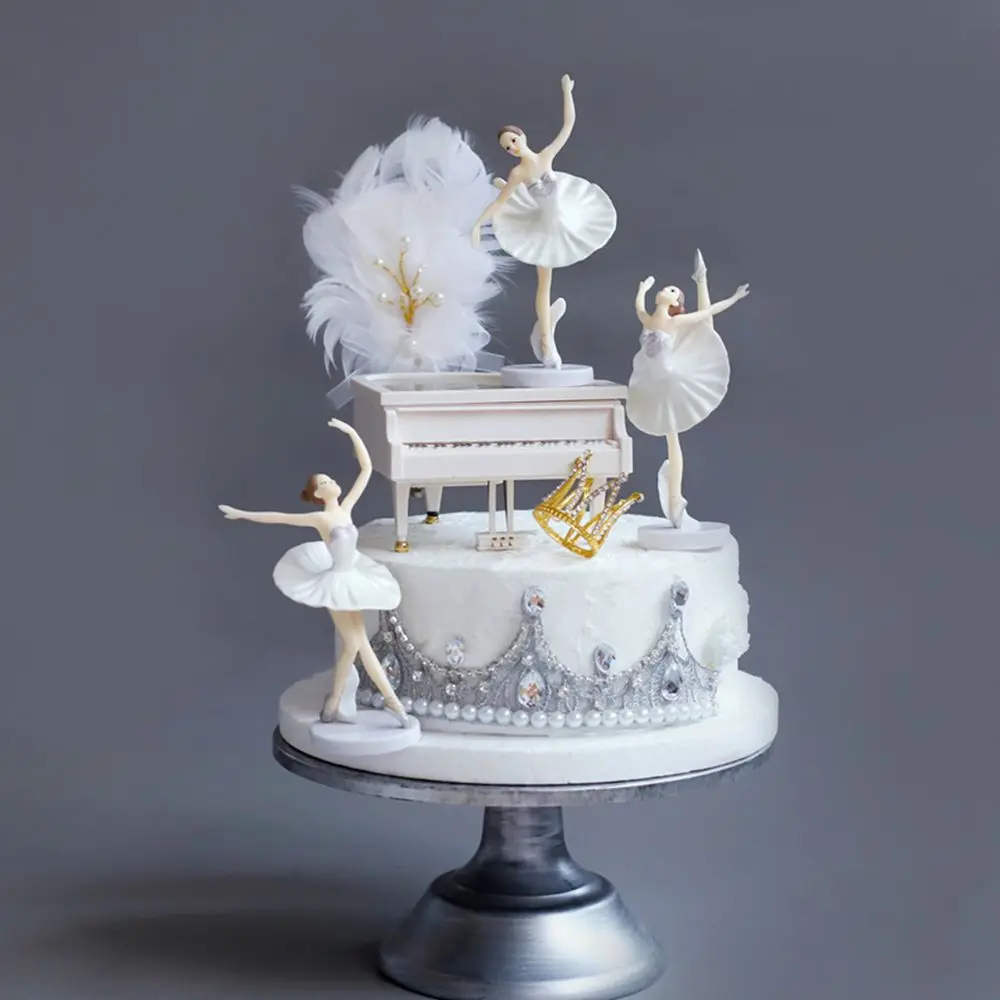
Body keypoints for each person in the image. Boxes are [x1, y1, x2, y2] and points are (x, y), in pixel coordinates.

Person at [219, 419, 411, 727]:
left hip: (353, 577)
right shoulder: (321, 519)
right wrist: (242, 514)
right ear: (318, 494)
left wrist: (352, 433)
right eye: (323, 483)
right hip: (335, 583)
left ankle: (338, 702)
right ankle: (388, 703)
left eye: (330, 479)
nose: (331, 482)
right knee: (357, 643)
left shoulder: (346, 508)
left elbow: (366, 468)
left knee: (356, 644)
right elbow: (279, 517)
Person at [471, 75, 616, 368]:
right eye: (507, 147)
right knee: (544, 283)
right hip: (541, 227)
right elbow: (500, 203)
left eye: (513, 141)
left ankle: (545, 327)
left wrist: (566, 92)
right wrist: (477, 225)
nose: (512, 148)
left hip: (566, 218)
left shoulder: (546, 156)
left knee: (552, 275)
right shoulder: (518, 174)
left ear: (522, 136)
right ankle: (547, 341)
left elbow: (568, 125)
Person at [627, 255, 749, 526]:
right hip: (653, 379)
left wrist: (734, 298)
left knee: (706, 329)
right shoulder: (649, 320)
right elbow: (638, 307)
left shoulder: (674, 323)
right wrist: (643, 289)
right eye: (667, 288)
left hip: (673, 374)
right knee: (670, 437)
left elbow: (708, 312)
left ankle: (675, 500)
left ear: (674, 303)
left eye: (672, 290)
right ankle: (674, 501)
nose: (666, 289)